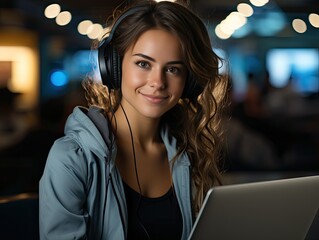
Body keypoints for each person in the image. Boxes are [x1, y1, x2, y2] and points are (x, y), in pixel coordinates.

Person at [39, 1, 229, 239]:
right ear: (114, 67)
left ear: (189, 82)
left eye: (173, 69)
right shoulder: (71, 158)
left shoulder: (187, 153)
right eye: (143, 64)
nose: (158, 82)